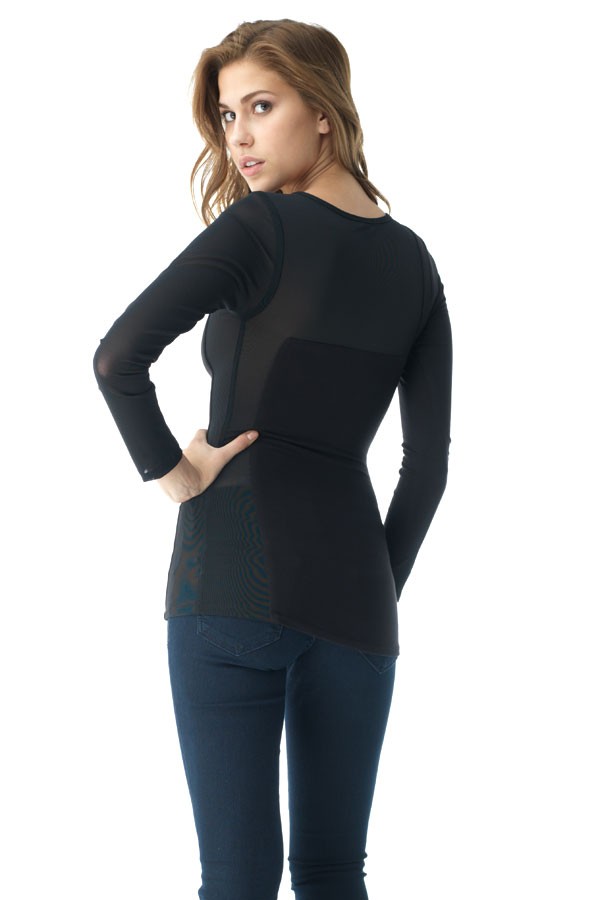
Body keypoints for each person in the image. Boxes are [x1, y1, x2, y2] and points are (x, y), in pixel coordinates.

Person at [93, 18, 452, 900]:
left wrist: (173, 473)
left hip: (229, 580)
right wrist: (371, 591)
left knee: (238, 878)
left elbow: (117, 359)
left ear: (323, 110)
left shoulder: (261, 228)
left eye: (261, 106)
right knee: (334, 875)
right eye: (227, 115)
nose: (238, 137)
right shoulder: (416, 265)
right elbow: (427, 470)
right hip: (356, 603)